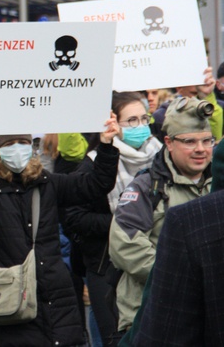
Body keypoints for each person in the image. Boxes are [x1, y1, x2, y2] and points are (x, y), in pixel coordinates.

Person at [0, 112, 120, 346]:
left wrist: (106, 146)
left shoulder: (47, 182)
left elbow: (96, 184)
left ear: (32, 147)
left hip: (54, 294)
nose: (17, 149)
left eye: (23, 143)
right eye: (9, 144)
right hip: (9, 293)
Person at [59, 92, 163, 346]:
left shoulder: (162, 156)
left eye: (143, 118)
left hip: (154, 259)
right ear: (113, 123)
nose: (140, 126)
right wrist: (124, 225)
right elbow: (73, 217)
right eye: (131, 121)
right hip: (106, 266)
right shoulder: (95, 164)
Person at [109, 96, 215, 338]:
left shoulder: (218, 185)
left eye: (206, 141)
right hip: (152, 315)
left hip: (208, 315)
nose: (200, 149)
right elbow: (124, 244)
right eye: (189, 142)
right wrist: (182, 277)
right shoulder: (146, 187)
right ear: (168, 142)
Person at [130, 189, 224, 345]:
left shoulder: (197, 216)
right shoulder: (147, 186)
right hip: (144, 298)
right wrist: (165, 265)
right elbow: (125, 243)